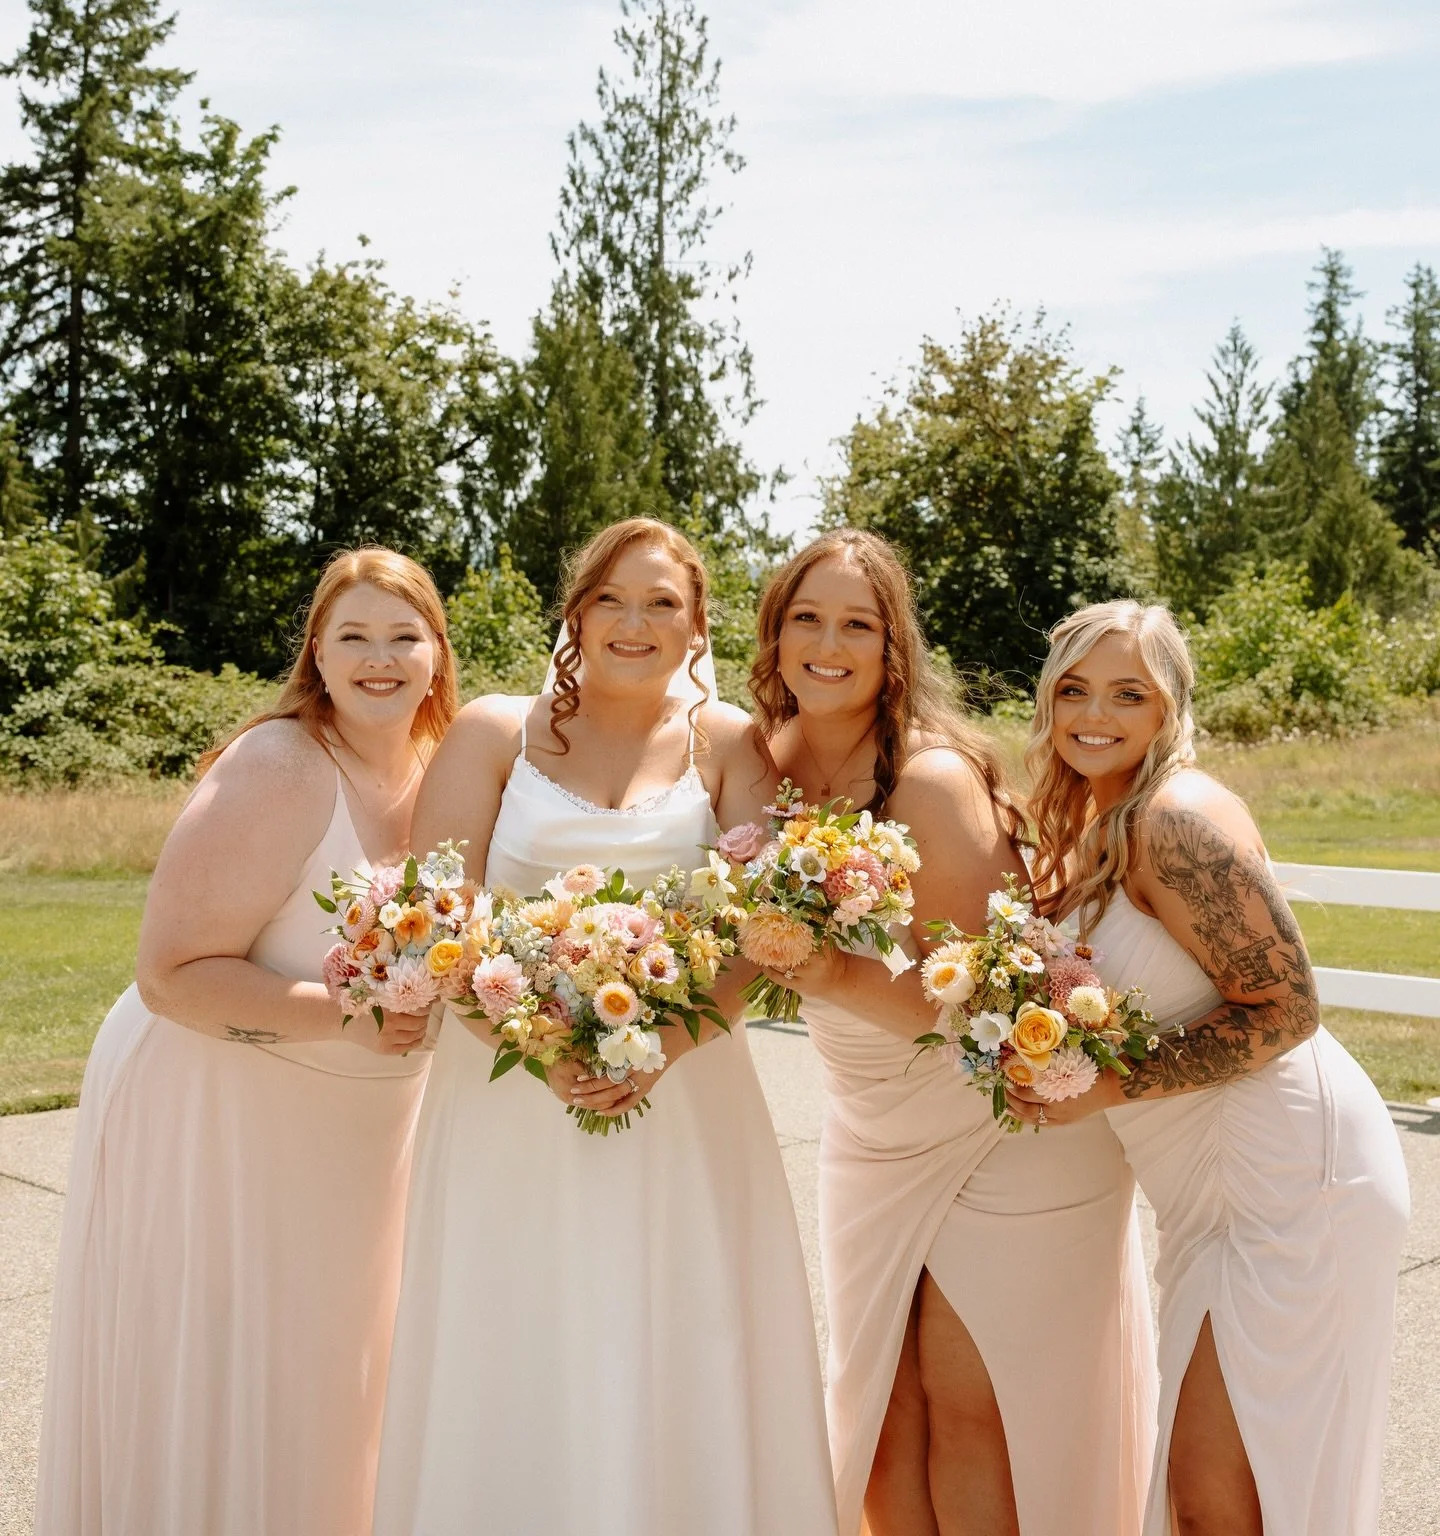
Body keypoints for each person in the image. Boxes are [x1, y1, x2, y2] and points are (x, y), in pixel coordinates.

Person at [371, 516, 837, 1536]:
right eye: (612, 599)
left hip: (686, 1085)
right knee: (515, 1317)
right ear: (576, 612)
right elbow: (436, 912)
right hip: (504, 1087)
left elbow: (763, 932)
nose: (635, 623)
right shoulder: (499, 731)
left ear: (697, 623)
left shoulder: (729, 746)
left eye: (662, 602)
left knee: (679, 1316)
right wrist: (540, 1051)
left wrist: (659, 1048)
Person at [34, 547, 457, 1536]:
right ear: (316, 651)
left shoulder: (444, 777)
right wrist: (355, 1016)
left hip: (349, 1127)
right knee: (230, 1366)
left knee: (330, 1376)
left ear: (439, 651)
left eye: (404, 636)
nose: (380, 659)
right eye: (353, 636)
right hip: (214, 1103)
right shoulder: (279, 767)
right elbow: (172, 972)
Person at [744, 530, 1154, 1536]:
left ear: (895, 648)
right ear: (774, 632)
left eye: (858, 624)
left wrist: (828, 971)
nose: (828, 644)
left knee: (979, 1413)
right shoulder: (759, 762)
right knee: (883, 1411)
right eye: (807, 617)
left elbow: (979, 1000)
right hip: (871, 1123)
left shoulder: (925, 779)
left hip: (996, 1122)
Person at [1013, 599, 1410, 1536]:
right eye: (1073, 690)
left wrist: (1107, 1085)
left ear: (1169, 708)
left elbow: (1290, 1007)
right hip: (1208, 1192)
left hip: (1290, 1180)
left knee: (1225, 1494)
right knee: (1217, 1495)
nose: (1094, 715)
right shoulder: (1099, 821)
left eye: (1127, 694)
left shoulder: (1172, 818)